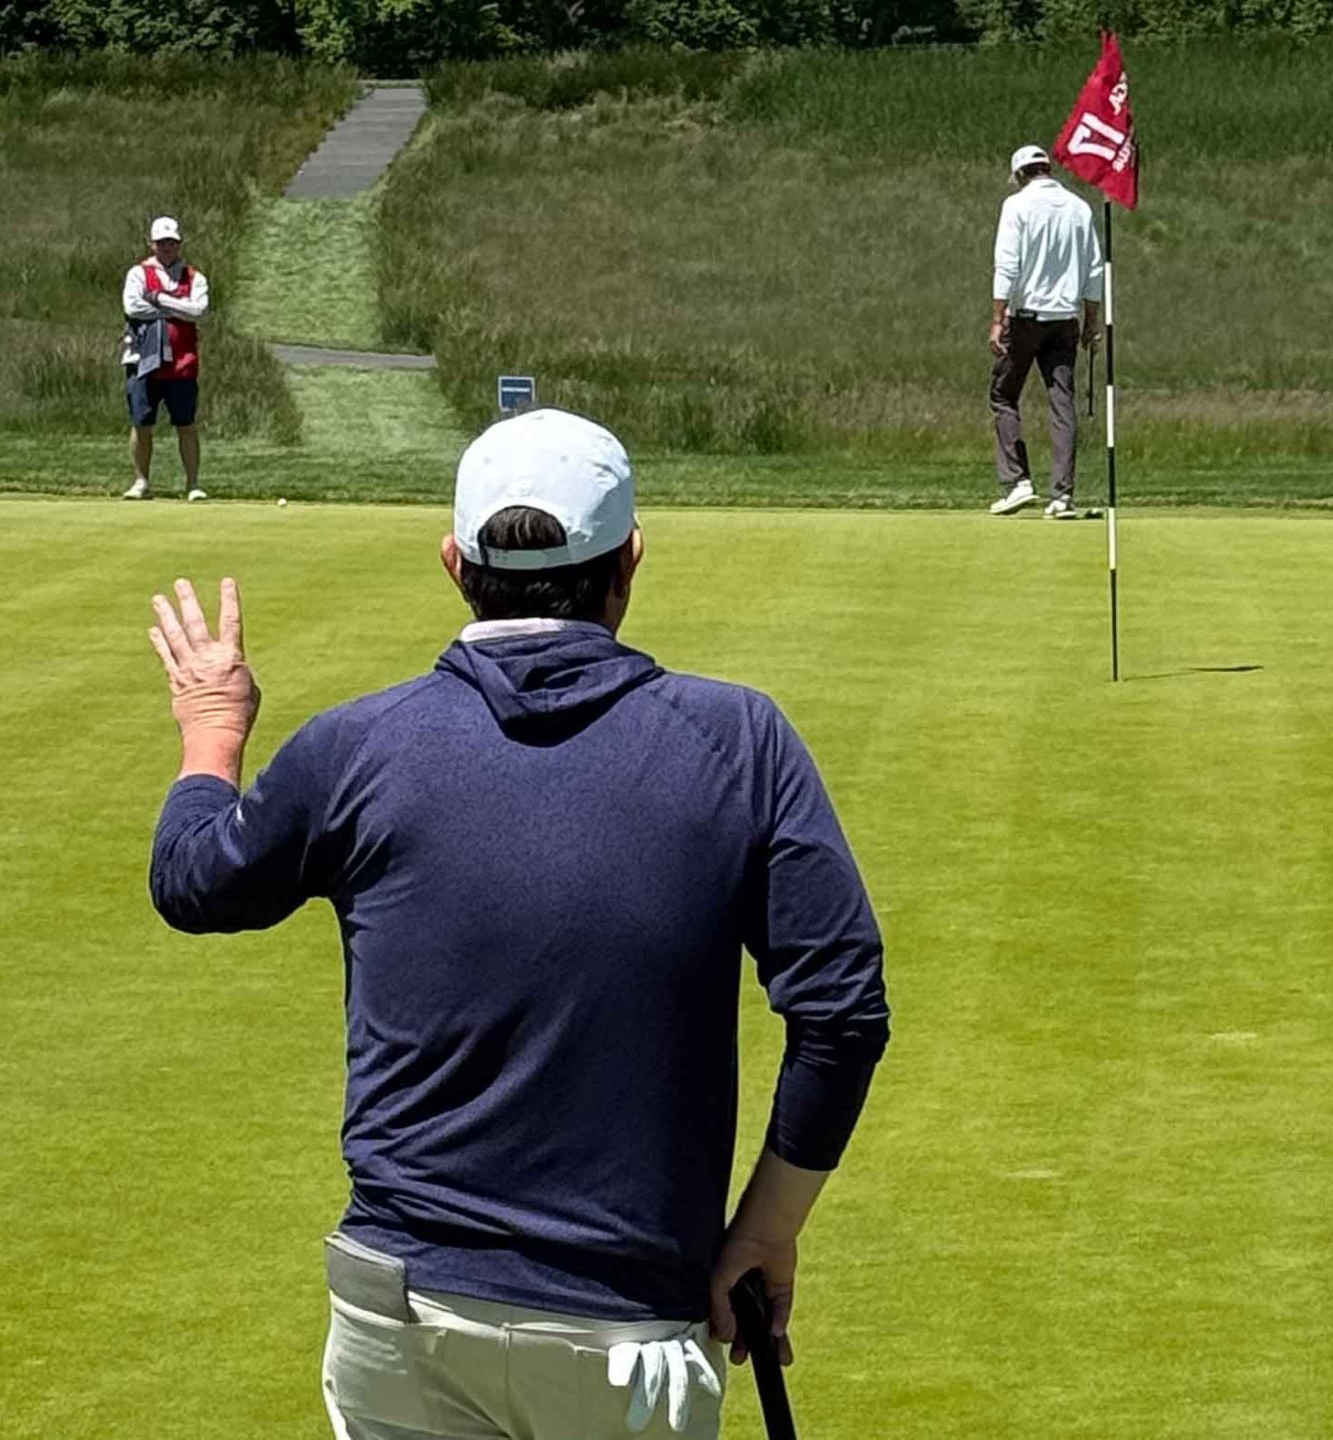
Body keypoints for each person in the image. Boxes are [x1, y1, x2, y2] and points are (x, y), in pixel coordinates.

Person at [142, 408, 892, 1440]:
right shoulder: (740, 742)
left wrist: (212, 728)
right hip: (629, 1337)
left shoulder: (354, 747)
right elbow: (842, 1015)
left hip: (399, 1311)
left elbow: (194, 880)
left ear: (455, 565)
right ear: (628, 564)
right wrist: (767, 1228)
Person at [988, 143, 1104, 519]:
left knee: (1004, 395)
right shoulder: (1080, 207)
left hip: (1026, 318)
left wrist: (997, 318)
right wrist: (1092, 320)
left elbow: (1006, 265)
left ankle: (1018, 482)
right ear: (1048, 169)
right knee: (1062, 403)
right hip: (1065, 320)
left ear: (1022, 174)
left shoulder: (1016, 206)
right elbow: (1093, 269)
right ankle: (1062, 497)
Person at [122, 216, 211, 501]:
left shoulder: (194, 276)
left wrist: (159, 299)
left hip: (182, 362)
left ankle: (193, 483)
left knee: (185, 423)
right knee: (142, 423)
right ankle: (141, 481)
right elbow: (133, 307)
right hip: (142, 359)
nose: (167, 248)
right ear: (152, 244)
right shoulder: (138, 273)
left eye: (172, 243)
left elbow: (198, 311)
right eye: (161, 243)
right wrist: (177, 309)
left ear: (179, 244)